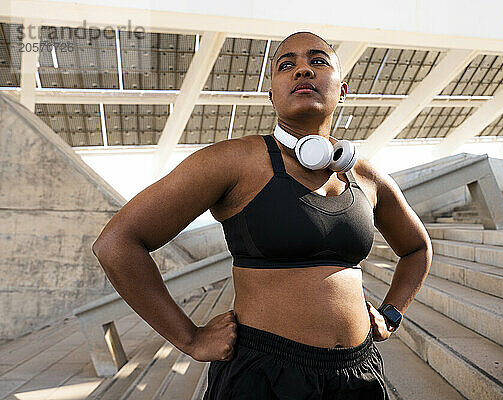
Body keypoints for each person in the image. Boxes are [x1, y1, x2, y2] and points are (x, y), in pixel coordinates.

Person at [92, 31, 432, 399]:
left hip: (358, 374)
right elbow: (116, 243)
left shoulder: (365, 175)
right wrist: (189, 338)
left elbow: (416, 249)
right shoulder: (232, 160)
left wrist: (392, 313)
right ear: (272, 95)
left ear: (342, 89)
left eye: (318, 61)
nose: (303, 70)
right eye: (287, 65)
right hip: (263, 376)